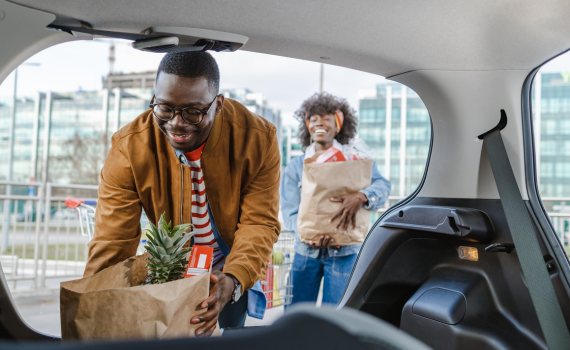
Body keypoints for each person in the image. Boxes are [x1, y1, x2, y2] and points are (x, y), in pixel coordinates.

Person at [84, 52, 281, 336]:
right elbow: (112, 239)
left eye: (193, 111)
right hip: (172, 271)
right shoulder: (128, 148)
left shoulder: (258, 138)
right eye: (164, 108)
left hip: (231, 266)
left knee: (230, 334)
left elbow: (259, 222)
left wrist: (233, 280)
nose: (176, 123)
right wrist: (92, 308)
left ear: (219, 103)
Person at [280, 92, 391, 305]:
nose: (319, 123)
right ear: (307, 125)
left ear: (338, 124)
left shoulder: (356, 160)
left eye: (326, 118)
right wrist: (306, 234)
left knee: (335, 318)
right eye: (314, 119)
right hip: (306, 253)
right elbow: (290, 210)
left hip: (345, 252)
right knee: (297, 318)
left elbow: (383, 185)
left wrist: (362, 196)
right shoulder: (296, 166)